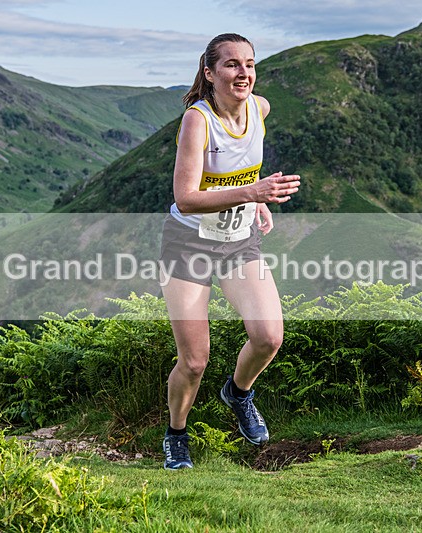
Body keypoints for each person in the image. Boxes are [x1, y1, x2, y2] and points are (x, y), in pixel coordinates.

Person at [159, 33, 301, 469]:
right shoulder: (197, 121)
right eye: (232, 64)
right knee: (194, 361)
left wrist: (256, 199)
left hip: (240, 240)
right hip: (189, 244)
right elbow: (186, 198)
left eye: (249, 64)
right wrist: (252, 193)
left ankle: (238, 393)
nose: (243, 73)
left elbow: (241, 165)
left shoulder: (261, 108)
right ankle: (176, 434)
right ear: (210, 72)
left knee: (268, 337)